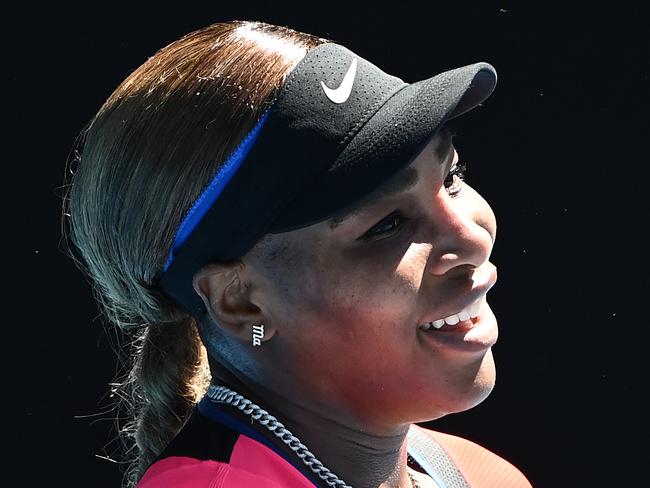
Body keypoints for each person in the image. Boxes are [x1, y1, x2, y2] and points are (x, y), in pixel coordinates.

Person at [61, 20, 532, 488]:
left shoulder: (478, 473)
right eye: (386, 224)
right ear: (241, 302)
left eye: (450, 177)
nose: (471, 239)